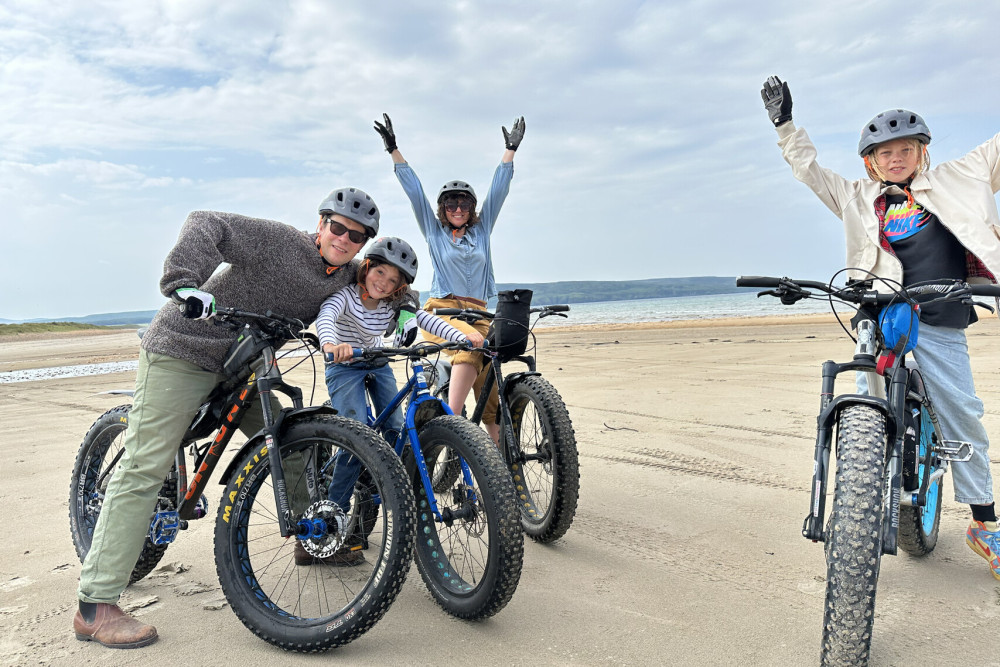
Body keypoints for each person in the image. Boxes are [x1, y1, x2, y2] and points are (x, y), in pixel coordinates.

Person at [73, 187, 384, 648]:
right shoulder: (279, 241)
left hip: (243, 368)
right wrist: (184, 283)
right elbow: (207, 222)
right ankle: (93, 607)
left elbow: (387, 283)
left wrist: (404, 314)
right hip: (184, 349)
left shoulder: (347, 274)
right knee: (144, 466)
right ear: (321, 224)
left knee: (288, 442)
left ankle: (308, 535)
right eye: (336, 227)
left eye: (356, 236)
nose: (343, 239)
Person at [761, 75, 1000, 580]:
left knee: (963, 411)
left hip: (939, 312)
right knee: (867, 403)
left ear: (922, 152)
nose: (896, 159)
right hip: (878, 313)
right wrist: (784, 126)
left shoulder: (961, 176)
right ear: (869, 160)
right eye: (885, 152)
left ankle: (984, 521)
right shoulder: (853, 195)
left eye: (906, 149)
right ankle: (865, 490)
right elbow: (807, 169)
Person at [312, 236, 475, 565]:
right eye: (380, 273)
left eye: (392, 281)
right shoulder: (345, 297)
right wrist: (330, 344)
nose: (383, 283)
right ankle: (334, 513)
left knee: (396, 426)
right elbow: (326, 317)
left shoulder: (393, 307)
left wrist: (462, 337)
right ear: (367, 267)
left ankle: (385, 482)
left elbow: (426, 320)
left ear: (400, 287)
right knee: (356, 430)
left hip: (377, 360)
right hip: (344, 366)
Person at [373, 112, 525, 442]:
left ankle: (502, 467)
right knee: (471, 349)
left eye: (464, 203)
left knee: (490, 383)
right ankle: (452, 429)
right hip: (443, 310)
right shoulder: (435, 233)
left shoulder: (482, 231)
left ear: (472, 207)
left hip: (481, 314)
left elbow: (499, 191)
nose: (458, 208)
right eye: (451, 203)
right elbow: (415, 192)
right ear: (443, 209)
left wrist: (510, 150)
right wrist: (394, 150)